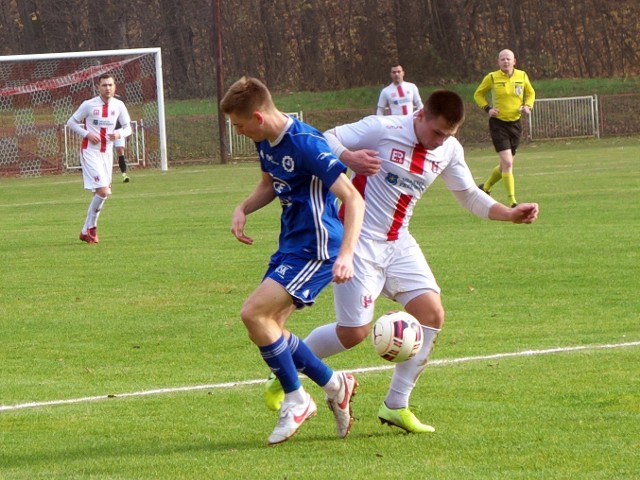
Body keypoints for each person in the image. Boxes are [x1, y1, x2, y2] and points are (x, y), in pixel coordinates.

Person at [265, 90, 539, 434]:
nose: (441, 142)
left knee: (432, 314)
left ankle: (396, 404)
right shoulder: (383, 128)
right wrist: (349, 157)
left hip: (399, 243)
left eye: (448, 136)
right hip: (359, 240)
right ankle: (285, 372)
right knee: (353, 333)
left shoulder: (449, 150)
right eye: (437, 133)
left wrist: (509, 214)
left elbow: (468, 194)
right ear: (422, 115)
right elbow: (324, 139)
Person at [221, 76, 366, 445]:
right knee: (272, 329)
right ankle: (336, 384)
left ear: (257, 116)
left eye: (239, 125)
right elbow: (270, 184)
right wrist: (243, 208)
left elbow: (353, 198)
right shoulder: (266, 141)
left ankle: (298, 399)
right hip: (291, 244)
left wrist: (346, 255)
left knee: (253, 314)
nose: (237, 132)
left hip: (318, 246)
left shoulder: (306, 144)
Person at [67, 73, 131, 244]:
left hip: (106, 153)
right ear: (98, 87)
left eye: (110, 85)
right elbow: (71, 123)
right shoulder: (88, 105)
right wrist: (87, 134)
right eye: (104, 85)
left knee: (102, 193)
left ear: (115, 86)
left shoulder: (119, 105)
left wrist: (119, 133)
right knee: (103, 191)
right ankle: (92, 228)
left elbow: (128, 127)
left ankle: (84, 231)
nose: (107, 88)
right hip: (90, 152)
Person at [473, 49, 536, 207]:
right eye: (502, 59)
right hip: (498, 124)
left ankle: (485, 188)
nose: (505, 62)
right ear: (498, 62)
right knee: (508, 163)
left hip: (515, 124)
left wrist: (527, 106)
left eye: (508, 59)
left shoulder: (522, 76)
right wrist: (488, 109)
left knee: (504, 165)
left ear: (514, 61)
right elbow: (478, 94)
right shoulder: (492, 77)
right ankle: (512, 200)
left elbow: (531, 93)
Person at [114, 94, 130, 183]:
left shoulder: (119, 99)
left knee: (120, 150)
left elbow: (124, 116)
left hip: (118, 130)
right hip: (106, 130)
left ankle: (124, 174)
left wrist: (125, 132)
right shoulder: (101, 99)